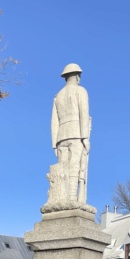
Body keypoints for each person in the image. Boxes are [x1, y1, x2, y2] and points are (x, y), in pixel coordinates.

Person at [50, 62, 91, 204]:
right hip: (76, 134)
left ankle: (63, 198)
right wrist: (85, 137)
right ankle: (72, 198)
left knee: (63, 169)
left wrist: (54, 144)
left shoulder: (57, 96)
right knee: (75, 167)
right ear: (77, 76)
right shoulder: (81, 91)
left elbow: (54, 123)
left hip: (61, 137)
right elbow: (83, 115)